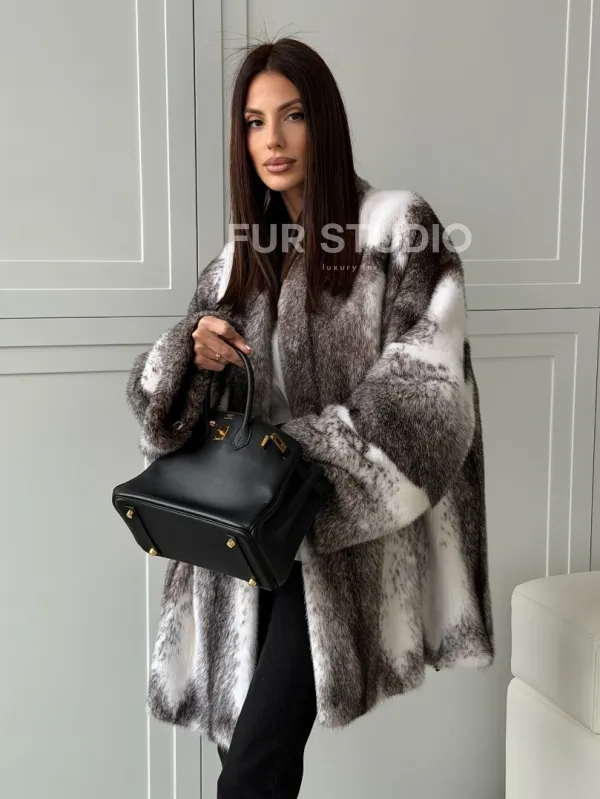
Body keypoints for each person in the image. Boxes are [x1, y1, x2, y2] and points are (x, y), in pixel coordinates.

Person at [125, 36, 495, 799]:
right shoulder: (242, 257)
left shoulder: (398, 228)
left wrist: (292, 463)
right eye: (255, 122)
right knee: (246, 759)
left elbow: (428, 401)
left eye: (292, 115)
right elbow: (158, 414)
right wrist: (192, 356)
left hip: (334, 541)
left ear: (323, 122)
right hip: (240, 546)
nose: (274, 139)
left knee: (254, 767)